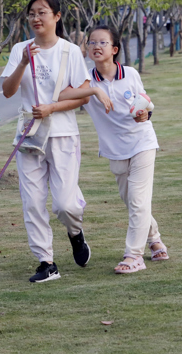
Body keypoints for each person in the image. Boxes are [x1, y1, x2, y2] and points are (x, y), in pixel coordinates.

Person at [58, 25, 169, 274]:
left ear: (115, 49)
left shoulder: (129, 73)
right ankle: (155, 239)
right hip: (114, 150)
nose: (96, 46)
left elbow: (145, 102)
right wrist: (94, 90)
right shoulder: (85, 80)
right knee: (132, 202)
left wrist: (145, 113)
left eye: (102, 43)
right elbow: (62, 94)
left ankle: (133, 256)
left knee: (139, 200)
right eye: (91, 42)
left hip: (142, 143)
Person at [1, 0, 92, 283]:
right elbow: (7, 90)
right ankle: (46, 261)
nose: (36, 18)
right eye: (31, 14)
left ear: (57, 16)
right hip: (29, 135)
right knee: (32, 201)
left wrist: (52, 107)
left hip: (63, 133)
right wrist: (23, 64)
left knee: (65, 204)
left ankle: (75, 233)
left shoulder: (70, 52)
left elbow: (83, 95)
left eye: (42, 12)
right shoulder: (20, 50)